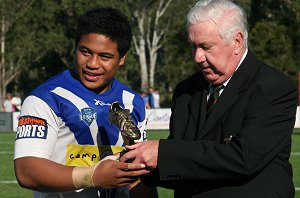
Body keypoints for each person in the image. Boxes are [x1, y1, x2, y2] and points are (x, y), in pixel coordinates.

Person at [120, 0, 298, 197]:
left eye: (206, 47)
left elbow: (244, 158)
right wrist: (138, 164)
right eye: (193, 46)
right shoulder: (185, 91)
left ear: (237, 42)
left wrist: (162, 153)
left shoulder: (272, 88)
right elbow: (187, 162)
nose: (197, 57)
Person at [14, 7, 157, 198]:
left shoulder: (134, 103)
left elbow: (138, 173)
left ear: (122, 58)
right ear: (75, 48)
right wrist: (93, 176)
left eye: (105, 56)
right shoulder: (45, 98)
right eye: (85, 52)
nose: (92, 64)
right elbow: (27, 171)